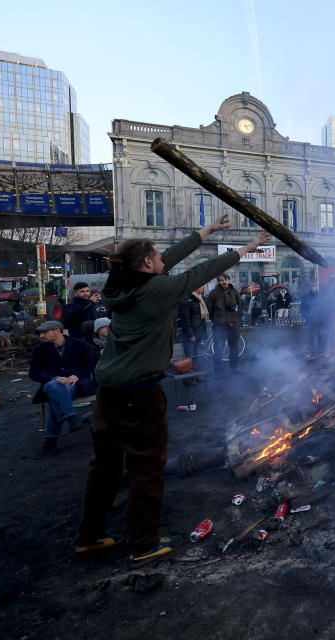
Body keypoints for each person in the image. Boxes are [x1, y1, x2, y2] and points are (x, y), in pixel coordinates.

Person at [75, 214, 268, 568]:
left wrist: (204, 232)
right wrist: (246, 248)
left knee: (103, 466)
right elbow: (199, 273)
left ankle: (90, 536)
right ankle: (144, 544)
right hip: (139, 393)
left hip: (109, 392)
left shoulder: (121, 285)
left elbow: (172, 258)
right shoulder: (157, 291)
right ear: (148, 264)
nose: (164, 260)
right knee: (147, 467)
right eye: (158, 257)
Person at [28, 320, 99, 457]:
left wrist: (76, 376)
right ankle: (70, 417)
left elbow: (90, 363)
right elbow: (34, 373)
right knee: (55, 387)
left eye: (44, 332)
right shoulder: (39, 350)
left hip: (76, 385)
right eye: (40, 333)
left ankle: (51, 439)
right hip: (51, 385)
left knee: (58, 396)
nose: (41, 336)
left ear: (57, 331)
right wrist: (53, 378)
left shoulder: (78, 344)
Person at [206, 274, 242, 373]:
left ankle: (234, 368)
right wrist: (216, 320)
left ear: (229, 280)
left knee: (234, 348)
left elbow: (240, 307)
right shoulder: (213, 293)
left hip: (233, 325)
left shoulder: (235, 292)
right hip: (220, 326)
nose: (224, 282)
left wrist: (236, 319)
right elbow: (209, 309)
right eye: (221, 280)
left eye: (226, 279)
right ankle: (218, 371)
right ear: (218, 282)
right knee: (218, 349)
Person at [176, 288, 207, 357]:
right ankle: (190, 367)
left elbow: (202, 318)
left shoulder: (201, 299)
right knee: (189, 358)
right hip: (190, 335)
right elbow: (185, 319)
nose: (203, 287)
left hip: (199, 333)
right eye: (201, 285)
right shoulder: (186, 299)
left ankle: (196, 367)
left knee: (197, 356)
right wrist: (190, 335)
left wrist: (204, 333)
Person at [300, 282, 326, 360]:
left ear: (316, 287)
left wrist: (323, 318)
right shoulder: (306, 297)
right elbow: (302, 309)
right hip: (311, 320)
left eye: (314, 286)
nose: (313, 287)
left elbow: (324, 308)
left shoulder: (321, 296)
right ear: (310, 287)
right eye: (312, 286)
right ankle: (311, 353)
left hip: (320, 320)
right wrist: (307, 317)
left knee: (321, 336)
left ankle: (322, 352)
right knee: (311, 338)